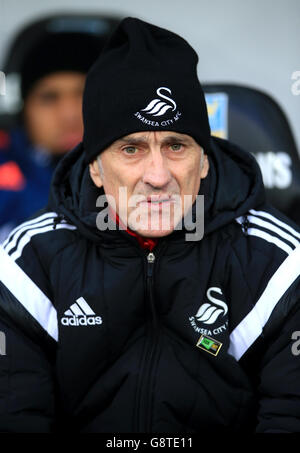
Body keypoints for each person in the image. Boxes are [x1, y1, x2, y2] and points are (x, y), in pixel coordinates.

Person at [0, 17, 299, 433]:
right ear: (96, 169)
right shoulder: (28, 265)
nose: (157, 175)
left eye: (176, 145)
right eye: (131, 148)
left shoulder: (280, 265)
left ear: (205, 159)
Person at [0, 29, 108, 242]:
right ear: (21, 111)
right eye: (49, 98)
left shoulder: (153, 174)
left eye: (83, 94)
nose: (69, 115)